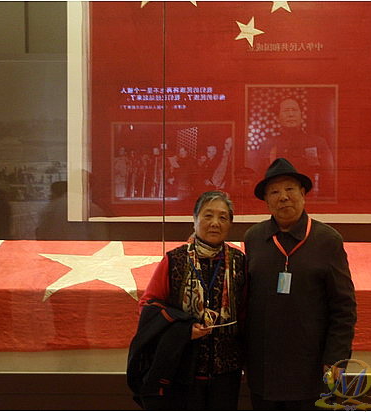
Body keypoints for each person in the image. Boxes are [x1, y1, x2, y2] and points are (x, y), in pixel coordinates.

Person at [244, 158, 357, 409]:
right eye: (274, 192)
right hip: (263, 367)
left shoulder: (327, 240)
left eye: (290, 189)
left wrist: (336, 359)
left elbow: (344, 307)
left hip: (311, 366)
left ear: (303, 194)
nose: (283, 197)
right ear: (266, 201)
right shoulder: (254, 238)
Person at [130, 191, 247, 410]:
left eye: (223, 217)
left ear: (230, 223)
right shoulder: (175, 259)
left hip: (226, 370)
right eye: (208, 215)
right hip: (182, 367)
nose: (215, 223)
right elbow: (148, 306)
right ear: (194, 219)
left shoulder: (239, 261)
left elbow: (245, 312)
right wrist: (183, 329)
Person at [258, 97, 335, 197]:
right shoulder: (268, 145)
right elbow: (260, 176)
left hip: (311, 197)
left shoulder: (317, 142)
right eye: (286, 110)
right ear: (278, 118)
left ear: (301, 115)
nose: (291, 114)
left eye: (294, 110)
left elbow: (329, 175)